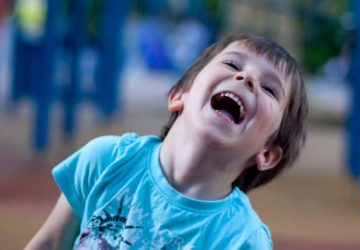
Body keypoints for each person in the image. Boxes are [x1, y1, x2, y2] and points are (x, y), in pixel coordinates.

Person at [25, 34, 307, 249]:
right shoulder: (106, 160)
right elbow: (49, 244)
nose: (246, 77)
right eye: (232, 63)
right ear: (179, 95)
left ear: (267, 154)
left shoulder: (242, 239)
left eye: (270, 89)